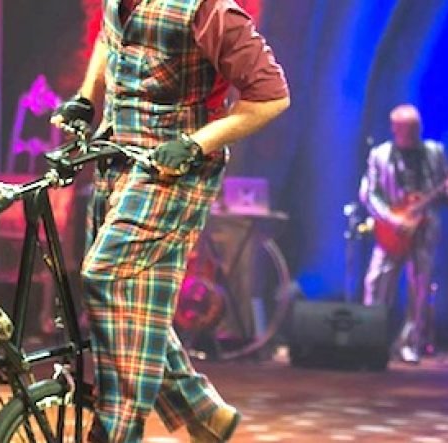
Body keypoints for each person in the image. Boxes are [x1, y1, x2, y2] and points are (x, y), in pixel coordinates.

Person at [51, 1, 289, 441]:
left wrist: (196, 144)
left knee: (107, 276)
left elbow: (272, 96)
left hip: (175, 171)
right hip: (118, 157)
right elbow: (111, 37)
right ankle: (200, 409)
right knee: (131, 299)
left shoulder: (211, 11)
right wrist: (87, 97)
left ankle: (117, 429)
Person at [359, 104, 448, 364]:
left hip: (424, 229)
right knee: (376, 282)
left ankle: (410, 342)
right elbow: (369, 193)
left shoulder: (434, 153)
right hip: (392, 229)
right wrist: (391, 217)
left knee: (419, 287)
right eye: (407, 129)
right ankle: (370, 340)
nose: (413, 133)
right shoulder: (380, 155)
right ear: (394, 129)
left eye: (416, 128)